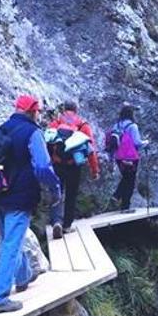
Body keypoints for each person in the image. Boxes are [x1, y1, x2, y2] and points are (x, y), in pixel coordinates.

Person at [0, 95, 61, 314]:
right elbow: (43, 167)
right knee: (11, 244)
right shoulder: (33, 132)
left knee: (10, 240)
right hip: (20, 195)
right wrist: (55, 189)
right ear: (33, 111)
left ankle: (23, 275)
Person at [47, 101, 100, 239]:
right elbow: (90, 150)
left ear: (64, 110)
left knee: (57, 192)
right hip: (74, 165)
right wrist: (95, 170)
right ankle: (66, 225)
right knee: (71, 195)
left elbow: (47, 141)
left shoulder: (56, 123)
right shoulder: (82, 125)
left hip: (57, 165)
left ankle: (56, 221)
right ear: (76, 110)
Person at [110, 103, 146, 212]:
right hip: (131, 158)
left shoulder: (116, 125)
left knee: (126, 178)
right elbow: (136, 142)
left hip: (119, 157)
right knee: (130, 181)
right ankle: (124, 205)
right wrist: (146, 142)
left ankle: (117, 196)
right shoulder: (132, 126)